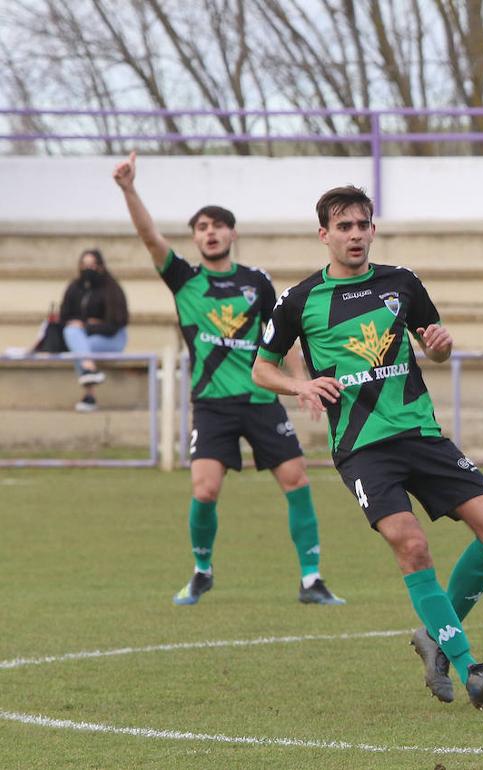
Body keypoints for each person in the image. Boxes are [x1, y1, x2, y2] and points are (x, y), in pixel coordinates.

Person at [252, 185, 483, 709]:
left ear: (373, 229)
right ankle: (469, 669)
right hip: (363, 449)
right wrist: (300, 386)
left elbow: (432, 347)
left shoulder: (402, 283)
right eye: (344, 227)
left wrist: (441, 347)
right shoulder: (301, 300)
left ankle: (434, 635)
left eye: (363, 225)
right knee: (411, 544)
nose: (355, 235)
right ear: (323, 234)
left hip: (421, 434)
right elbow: (261, 368)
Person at [111, 151, 344, 608]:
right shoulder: (184, 280)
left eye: (218, 225)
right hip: (213, 405)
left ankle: (312, 579)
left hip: (260, 400)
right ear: (195, 237)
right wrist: (128, 188)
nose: (210, 232)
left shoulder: (257, 282)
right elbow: (148, 236)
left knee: (296, 480)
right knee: (205, 488)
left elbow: (283, 340)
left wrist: (302, 385)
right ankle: (201, 572)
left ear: (232, 234)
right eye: (202, 227)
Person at [59, 248, 129, 412]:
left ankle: (89, 393)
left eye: (92, 265)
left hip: (113, 339)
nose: (88, 269)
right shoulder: (74, 288)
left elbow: (116, 324)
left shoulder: (112, 288)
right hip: (85, 339)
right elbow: (64, 317)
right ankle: (90, 370)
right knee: (73, 335)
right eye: (84, 265)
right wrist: (84, 325)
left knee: (80, 345)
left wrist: (88, 325)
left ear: (101, 266)